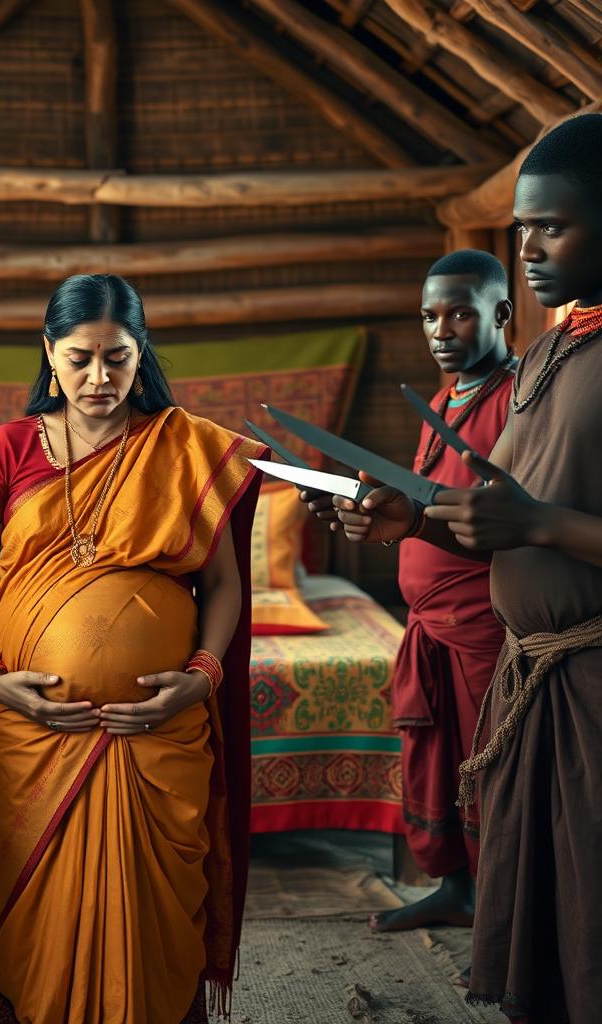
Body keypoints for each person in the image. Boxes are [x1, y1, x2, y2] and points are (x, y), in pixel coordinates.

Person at [332, 113, 602, 1023]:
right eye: (521, 228)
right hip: (542, 685)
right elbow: (510, 527)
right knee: (545, 931)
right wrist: (413, 518)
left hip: (591, 678)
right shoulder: (562, 346)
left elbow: (543, 523)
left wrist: (545, 524)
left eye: (552, 226)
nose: (527, 249)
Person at [0, 274, 264, 1024]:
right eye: (81, 357)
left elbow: (222, 587)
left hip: (159, 732)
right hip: (35, 736)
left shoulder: (184, 448)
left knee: (158, 908)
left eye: (117, 357)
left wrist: (202, 678)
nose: (99, 378)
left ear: (141, 351)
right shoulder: (7, 449)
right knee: (37, 921)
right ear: (49, 351)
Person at [361, 251, 515, 933]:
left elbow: (503, 513)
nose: (440, 328)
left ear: (501, 315)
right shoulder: (444, 395)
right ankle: (457, 892)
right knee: (438, 763)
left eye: (458, 312)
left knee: (492, 771)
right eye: (429, 314)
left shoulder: (517, 396)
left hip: (484, 623)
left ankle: (505, 911)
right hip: (428, 624)